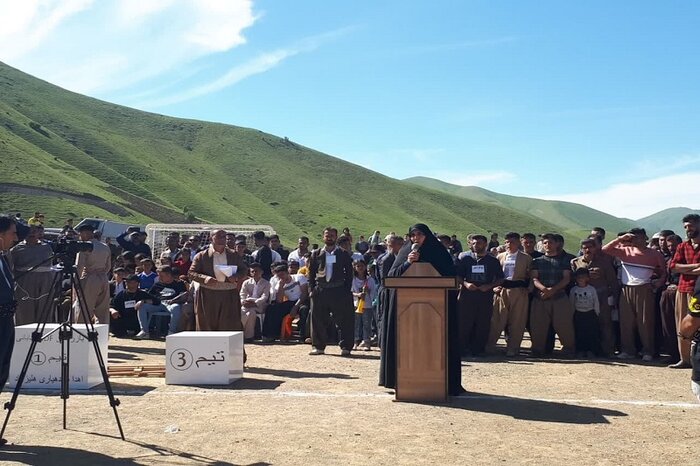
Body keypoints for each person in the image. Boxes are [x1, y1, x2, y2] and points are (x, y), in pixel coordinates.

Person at [379, 223, 464, 396]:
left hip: (436, 312)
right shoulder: (405, 252)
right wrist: (408, 263)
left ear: (427, 235)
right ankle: (401, 380)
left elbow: (449, 276)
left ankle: (442, 382)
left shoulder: (439, 252)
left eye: (419, 234)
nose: (415, 238)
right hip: (407, 311)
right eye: (412, 235)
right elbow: (392, 276)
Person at [602, 228, 666, 361]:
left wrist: (657, 283)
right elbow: (605, 249)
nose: (635, 240)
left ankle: (648, 351)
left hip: (644, 289)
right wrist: (620, 239)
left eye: (638, 237)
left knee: (645, 322)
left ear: (645, 238)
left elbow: (664, 273)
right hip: (626, 289)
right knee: (626, 322)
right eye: (633, 238)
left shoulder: (655, 254)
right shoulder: (625, 251)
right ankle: (628, 350)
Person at [188, 229, 248, 331]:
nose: (222, 239)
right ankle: (208, 347)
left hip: (229, 294)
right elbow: (191, 273)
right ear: (211, 238)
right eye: (219, 236)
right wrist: (205, 279)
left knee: (230, 325)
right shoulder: (202, 255)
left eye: (224, 237)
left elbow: (244, 270)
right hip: (208, 294)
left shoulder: (234, 254)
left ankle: (229, 347)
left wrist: (236, 276)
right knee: (207, 324)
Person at [308, 227, 355, 356]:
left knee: (344, 319)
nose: (329, 237)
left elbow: (349, 274)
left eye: (332, 235)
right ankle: (318, 346)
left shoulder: (343, 254)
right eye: (327, 235)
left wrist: (346, 290)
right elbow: (311, 274)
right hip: (320, 289)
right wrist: (311, 289)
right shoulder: (316, 254)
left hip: (339, 290)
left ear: (336, 237)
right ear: (323, 237)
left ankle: (346, 346)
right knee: (317, 318)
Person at [456, 234, 504, 356]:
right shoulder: (465, 258)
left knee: (482, 323)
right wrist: (466, 284)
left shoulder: (493, 260)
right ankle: (462, 348)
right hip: (467, 295)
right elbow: (458, 276)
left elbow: (500, 278)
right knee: (464, 322)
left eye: (479, 243)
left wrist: (489, 286)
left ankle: (478, 349)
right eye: (474, 243)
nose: (476, 245)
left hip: (485, 295)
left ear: (485, 244)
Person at [571, 237, 618, 357]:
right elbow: (572, 280)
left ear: (595, 248)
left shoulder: (604, 262)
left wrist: (615, 299)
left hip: (601, 296)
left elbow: (612, 281)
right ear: (581, 249)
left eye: (590, 247)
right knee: (583, 325)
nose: (588, 250)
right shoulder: (575, 262)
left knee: (605, 324)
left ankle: (608, 350)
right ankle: (584, 349)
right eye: (585, 247)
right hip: (582, 298)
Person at [530, 233, 575, 356]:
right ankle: (537, 350)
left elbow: (566, 279)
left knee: (564, 325)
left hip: (559, 296)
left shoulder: (565, 260)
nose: (547, 245)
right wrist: (545, 289)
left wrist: (552, 290)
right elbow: (534, 279)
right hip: (540, 297)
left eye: (550, 242)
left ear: (556, 244)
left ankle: (569, 349)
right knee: (538, 324)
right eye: (545, 243)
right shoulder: (536, 261)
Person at [488, 232, 532, 357]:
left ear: (518, 243)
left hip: (519, 290)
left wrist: (529, 289)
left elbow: (531, 275)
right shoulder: (500, 256)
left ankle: (513, 348)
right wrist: (494, 287)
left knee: (517, 320)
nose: (509, 244)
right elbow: (494, 274)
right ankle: (490, 345)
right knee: (497, 318)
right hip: (502, 290)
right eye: (507, 242)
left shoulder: (526, 258)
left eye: (512, 242)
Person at [7, 225, 57, 325]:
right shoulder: (16, 249)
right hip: (25, 284)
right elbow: (10, 268)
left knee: (45, 311)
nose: (32, 234)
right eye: (29, 232)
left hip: (45, 284)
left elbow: (51, 265)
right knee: (25, 311)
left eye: (34, 231)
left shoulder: (46, 247)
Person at [669, 214, 700, 368]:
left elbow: (679, 267)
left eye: (691, 225)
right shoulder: (682, 246)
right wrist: (695, 267)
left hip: (698, 291)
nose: (688, 229)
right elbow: (673, 267)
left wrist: (685, 269)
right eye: (686, 227)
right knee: (683, 325)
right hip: (683, 289)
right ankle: (685, 359)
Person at [136, 266, 188, 338]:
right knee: (142, 307)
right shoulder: (157, 284)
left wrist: (175, 301)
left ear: (169, 275)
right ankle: (144, 332)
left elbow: (184, 297)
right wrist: (142, 301)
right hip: (158, 304)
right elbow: (148, 296)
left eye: (161, 276)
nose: (159, 278)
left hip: (172, 304)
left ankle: (171, 332)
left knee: (176, 308)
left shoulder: (179, 284)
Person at [74, 224, 111, 324]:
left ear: (85, 233)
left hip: (90, 278)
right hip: (103, 277)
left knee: (84, 307)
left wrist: (76, 281)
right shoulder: (105, 247)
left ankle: (81, 333)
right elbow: (108, 266)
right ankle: (102, 331)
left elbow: (79, 267)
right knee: (103, 308)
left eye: (80, 234)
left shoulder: (84, 247)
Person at [263, 263, 309, 342]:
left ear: (287, 272)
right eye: (279, 276)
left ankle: (304, 336)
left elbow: (304, 293)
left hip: (302, 300)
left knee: (304, 310)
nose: (281, 277)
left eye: (282, 274)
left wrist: (295, 307)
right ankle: (270, 335)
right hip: (291, 302)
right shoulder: (279, 284)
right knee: (271, 308)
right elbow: (279, 301)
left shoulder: (299, 277)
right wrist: (281, 287)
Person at [0, 216, 18, 405]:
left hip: (6, 320)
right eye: (12, 233)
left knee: (3, 370)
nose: (15, 238)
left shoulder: (3, 258)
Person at [570, 268, 601, 358]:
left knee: (591, 333)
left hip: (590, 313)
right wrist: (572, 315)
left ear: (587, 278)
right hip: (579, 313)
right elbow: (571, 302)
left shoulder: (591, 289)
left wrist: (597, 312)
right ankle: (580, 350)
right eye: (579, 277)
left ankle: (591, 351)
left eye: (583, 277)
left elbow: (596, 301)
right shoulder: (574, 290)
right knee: (580, 333)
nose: (581, 279)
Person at [240, 263, 270, 341]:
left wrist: (255, 303)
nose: (254, 273)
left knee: (251, 312)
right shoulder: (246, 282)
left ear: (261, 272)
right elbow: (242, 294)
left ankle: (248, 336)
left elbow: (265, 296)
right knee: (241, 312)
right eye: (252, 271)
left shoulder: (266, 283)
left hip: (259, 305)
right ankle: (243, 334)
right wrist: (243, 301)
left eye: (256, 271)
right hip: (247, 304)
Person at [352, 259, 378, 351]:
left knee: (367, 324)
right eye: (358, 266)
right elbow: (351, 292)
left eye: (362, 266)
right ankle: (355, 342)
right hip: (356, 305)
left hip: (367, 305)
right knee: (356, 324)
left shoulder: (369, 279)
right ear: (355, 267)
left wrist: (368, 291)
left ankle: (367, 342)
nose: (360, 268)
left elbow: (374, 292)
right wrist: (358, 295)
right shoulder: (353, 279)